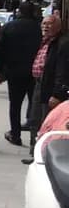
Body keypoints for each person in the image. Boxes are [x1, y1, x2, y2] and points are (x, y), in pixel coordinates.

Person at [0, 1, 41, 147]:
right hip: (35, 73)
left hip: (14, 72)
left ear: (19, 12)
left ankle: (15, 135)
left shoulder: (9, 27)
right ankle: (35, 138)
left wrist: (0, 71)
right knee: (35, 106)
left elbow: (0, 50)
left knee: (15, 105)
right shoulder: (39, 27)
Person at [25, 14, 69, 163]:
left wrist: (57, 93)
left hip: (50, 88)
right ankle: (35, 152)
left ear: (58, 26)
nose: (45, 26)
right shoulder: (46, 41)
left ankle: (43, 154)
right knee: (35, 119)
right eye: (44, 23)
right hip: (40, 84)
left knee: (46, 121)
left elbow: (62, 71)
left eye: (49, 24)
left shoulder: (62, 43)